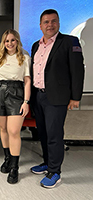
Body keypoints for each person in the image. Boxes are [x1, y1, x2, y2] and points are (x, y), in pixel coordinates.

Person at [30, 9, 84, 188]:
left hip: (57, 98)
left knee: (54, 135)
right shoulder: (36, 46)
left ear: (59, 23)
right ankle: (47, 163)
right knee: (43, 133)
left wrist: (75, 97)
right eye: (46, 22)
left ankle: (55, 172)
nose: (50, 25)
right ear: (40, 26)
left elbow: (78, 71)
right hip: (38, 96)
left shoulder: (69, 42)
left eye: (53, 21)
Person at [0, 29, 31, 184]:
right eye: (7, 41)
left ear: (17, 41)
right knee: (3, 129)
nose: (10, 43)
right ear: (3, 43)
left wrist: (26, 102)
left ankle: (14, 167)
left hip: (16, 92)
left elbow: (27, 81)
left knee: (14, 131)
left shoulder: (24, 57)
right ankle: (7, 158)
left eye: (12, 40)